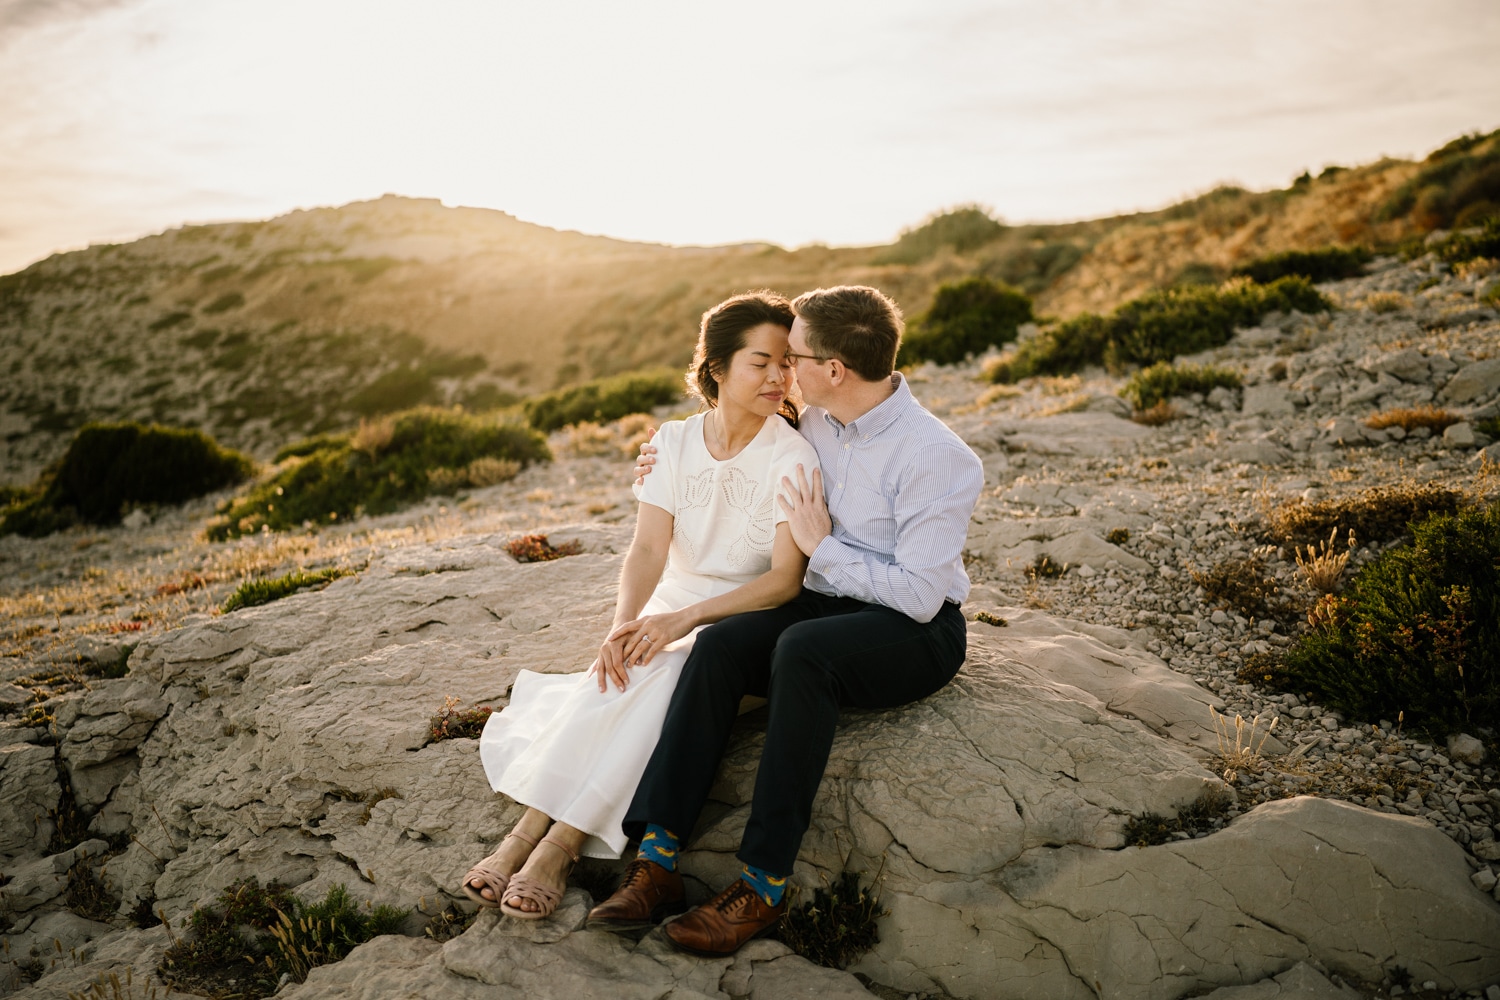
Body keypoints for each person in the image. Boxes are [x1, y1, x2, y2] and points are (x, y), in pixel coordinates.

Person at [591, 284, 984, 956]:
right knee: (719, 645)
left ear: (833, 369)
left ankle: (763, 885)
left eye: (793, 357)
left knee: (804, 651)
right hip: (826, 604)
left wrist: (823, 548)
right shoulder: (819, 421)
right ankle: (657, 859)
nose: (783, 369)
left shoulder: (937, 457)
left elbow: (920, 596)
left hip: (915, 630)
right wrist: (659, 460)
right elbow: (733, 436)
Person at [462, 291, 819, 920]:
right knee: (622, 665)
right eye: (760, 362)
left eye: (786, 364)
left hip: (737, 620)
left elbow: (785, 581)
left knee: (662, 677)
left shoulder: (793, 454)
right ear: (717, 368)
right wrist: (623, 623)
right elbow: (649, 548)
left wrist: (682, 621)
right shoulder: (673, 441)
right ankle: (522, 836)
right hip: (670, 599)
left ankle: (558, 848)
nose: (778, 378)